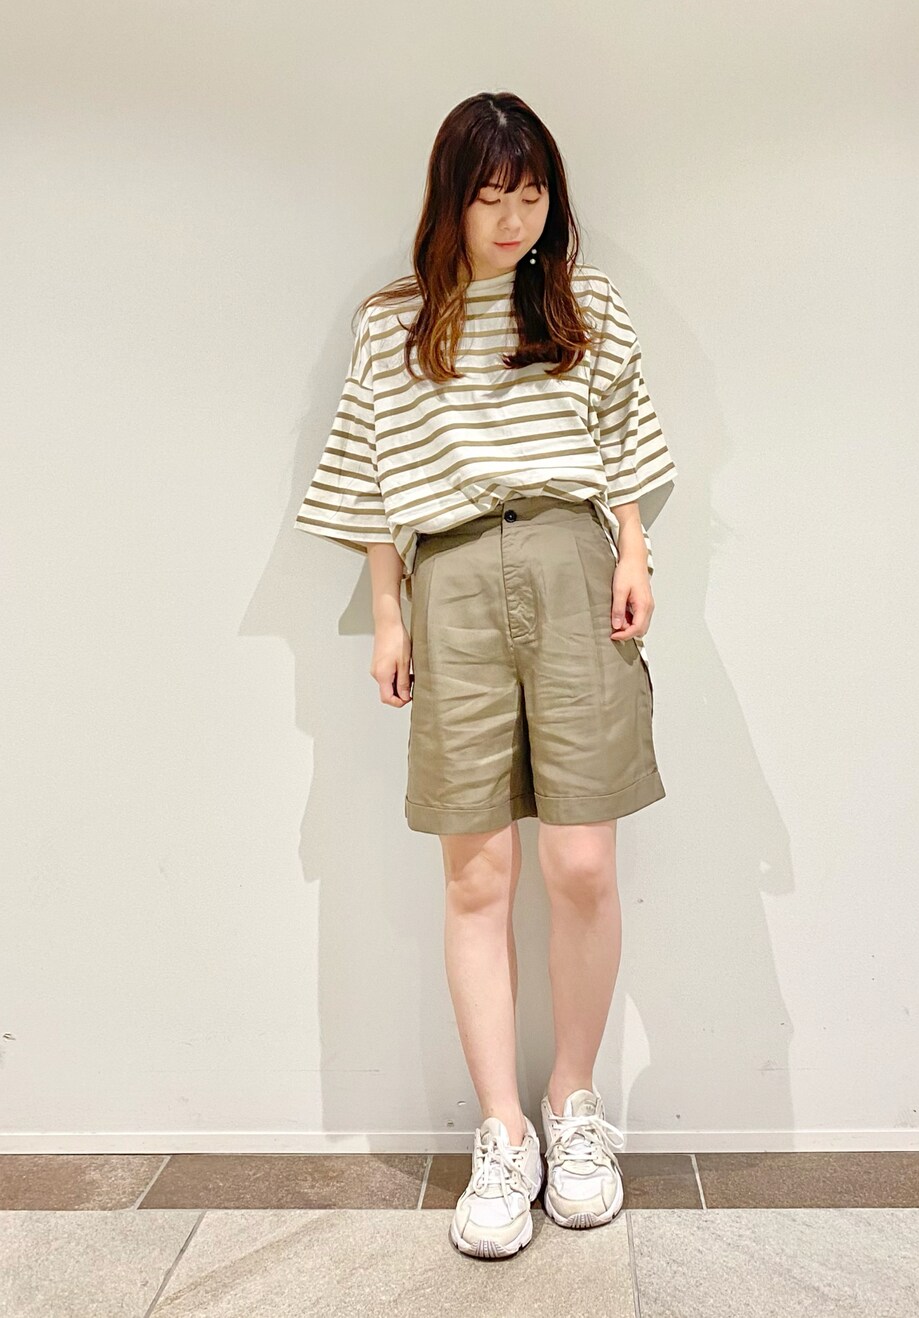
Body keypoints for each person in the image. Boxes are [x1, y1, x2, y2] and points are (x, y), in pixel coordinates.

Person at [294, 91, 677, 1260]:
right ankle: (501, 1130)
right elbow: (369, 474)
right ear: (450, 201)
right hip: (452, 578)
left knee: (581, 860)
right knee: (476, 873)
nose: (515, 219)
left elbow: (626, 441)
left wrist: (633, 549)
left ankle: (572, 1104)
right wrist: (388, 615)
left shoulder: (584, 306)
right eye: (492, 196)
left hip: (573, 565)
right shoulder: (393, 325)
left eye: (532, 194)